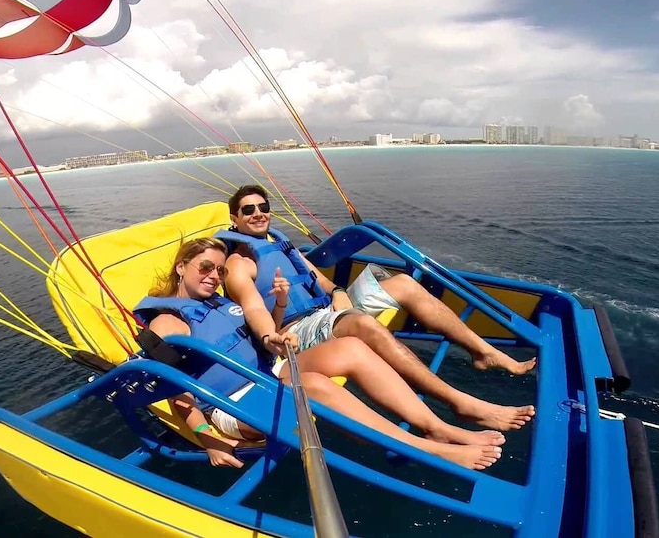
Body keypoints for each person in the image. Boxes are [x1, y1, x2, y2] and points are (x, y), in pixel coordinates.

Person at [132, 237, 503, 471]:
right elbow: (165, 384)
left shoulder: (218, 303)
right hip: (231, 404)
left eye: (219, 268)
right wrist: (206, 436)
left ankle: (438, 427)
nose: (214, 275)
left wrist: (277, 319)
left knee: (352, 347)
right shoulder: (170, 320)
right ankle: (428, 450)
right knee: (309, 384)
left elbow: (257, 328)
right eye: (205, 267)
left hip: (270, 373)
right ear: (181, 268)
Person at [216, 185, 536, 432]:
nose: (258, 213)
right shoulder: (239, 264)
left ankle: (483, 352)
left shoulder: (281, 243)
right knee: (360, 324)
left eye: (263, 207)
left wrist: (340, 291)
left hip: (329, 311)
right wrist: (270, 336)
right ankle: (460, 403)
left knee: (404, 284)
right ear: (235, 219)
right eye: (248, 210)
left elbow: (321, 282)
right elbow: (254, 309)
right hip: (297, 331)